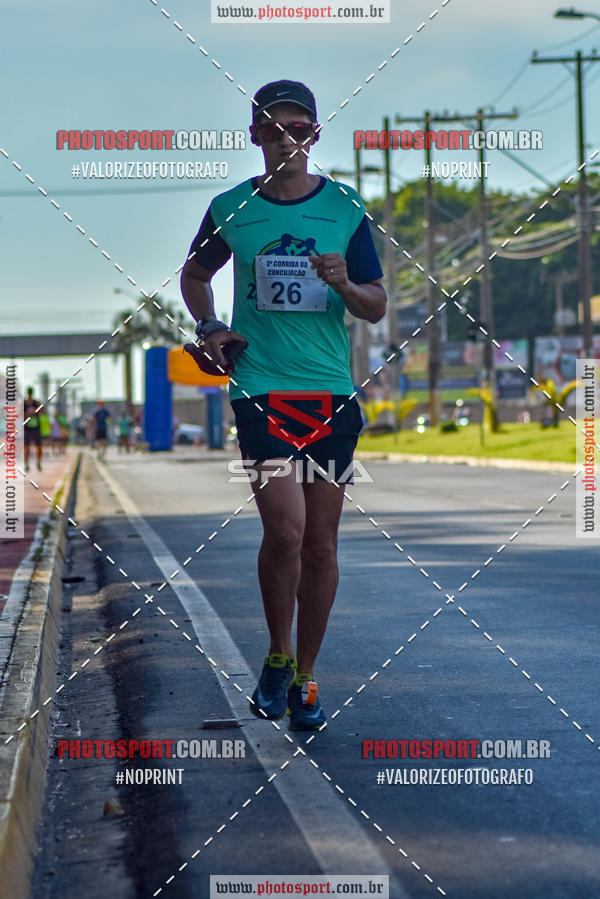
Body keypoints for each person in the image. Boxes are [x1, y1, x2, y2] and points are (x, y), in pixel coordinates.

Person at [180, 80, 386, 730]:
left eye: (297, 128)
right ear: (255, 136)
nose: (286, 139)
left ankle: (304, 674)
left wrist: (344, 283)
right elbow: (193, 274)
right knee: (287, 531)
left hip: (330, 392)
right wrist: (210, 328)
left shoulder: (345, 208)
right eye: (273, 129)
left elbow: (377, 303)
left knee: (321, 547)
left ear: (315, 135)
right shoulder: (232, 208)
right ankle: (275, 652)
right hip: (260, 389)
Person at [24, 386, 43, 472]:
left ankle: (38, 463)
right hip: (27, 428)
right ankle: (27, 464)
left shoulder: (36, 403)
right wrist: (28, 414)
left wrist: (36, 411)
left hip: (36, 427)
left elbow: (42, 412)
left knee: (38, 447)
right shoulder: (24, 403)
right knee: (27, 447)